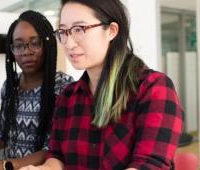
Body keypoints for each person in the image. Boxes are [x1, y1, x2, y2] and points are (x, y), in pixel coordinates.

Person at [20, 0, 184, 170]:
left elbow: (150, 164)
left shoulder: (153, 88)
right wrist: (43, 169)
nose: (68, 43)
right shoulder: (67, 96)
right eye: (63, 31)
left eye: (79, 29)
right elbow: (57, 155)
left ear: (111, 31)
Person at [0, 10, 74, 170]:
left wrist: (4, 166)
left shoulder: (64, 87)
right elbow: (3, 136)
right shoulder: (10, 86)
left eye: (35, 43)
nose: (26, 51)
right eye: (18, 45)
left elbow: (53, 149)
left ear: (48, 44)